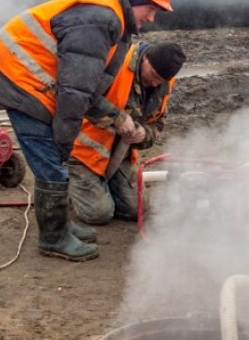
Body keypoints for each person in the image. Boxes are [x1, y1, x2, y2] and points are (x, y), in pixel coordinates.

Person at [0, 0, 174, 262]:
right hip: (16, 80)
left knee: (53, 158)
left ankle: (61, 226)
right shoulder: (101, 21)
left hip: (20, 78)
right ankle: (53, 238)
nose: (152, 18)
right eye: (152, 8)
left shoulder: (108, 17)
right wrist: (64, 142)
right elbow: (75, 91)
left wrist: (114, 118)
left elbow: (85, 90)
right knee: (52, 162)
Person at [68, 41, 184, 227]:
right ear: (145, 58)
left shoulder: (163, 82)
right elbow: (80, 99)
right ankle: (69, 185)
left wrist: (143, 134)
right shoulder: (115, 62)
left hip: (118, 155)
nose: (155, 83)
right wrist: (117, 119)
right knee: (99, 213)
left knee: (135, 210)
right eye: (153, 75)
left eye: (160, 80)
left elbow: (158, 123)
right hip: (83, 153)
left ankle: (102, 187)